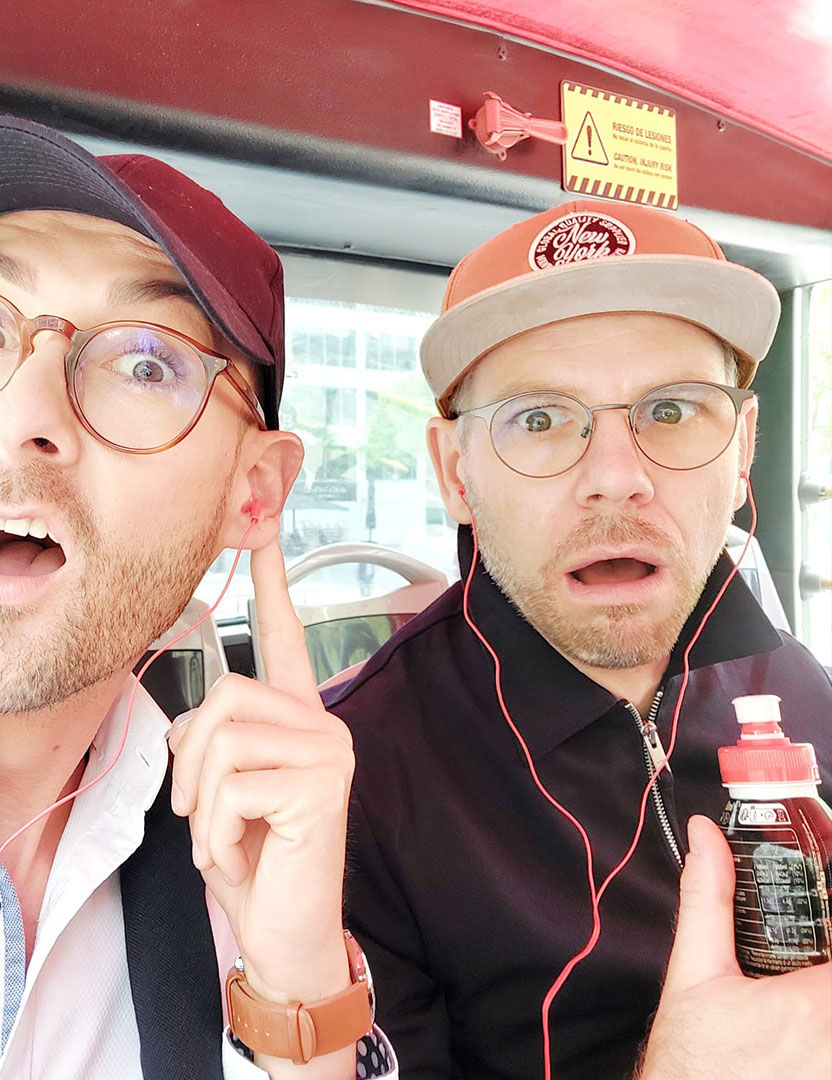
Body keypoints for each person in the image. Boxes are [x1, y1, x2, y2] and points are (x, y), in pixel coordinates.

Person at [0, 116, 396, 1080]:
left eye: (144, 361)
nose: (19, 415)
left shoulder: (230, 864)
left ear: (252, 494)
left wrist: (294, 987)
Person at [327, 201, 832, 1078]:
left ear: (743, 449)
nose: (617, 478)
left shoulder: (797, 683)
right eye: (538, 419)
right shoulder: (356, 782)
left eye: (672, 410)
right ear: (455, 473)